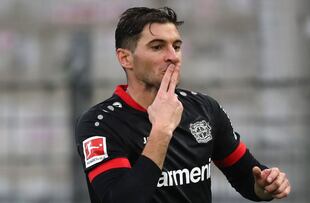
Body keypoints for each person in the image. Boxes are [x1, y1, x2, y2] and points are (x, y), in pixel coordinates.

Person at [75, 7, 291, 203]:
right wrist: (161, 130)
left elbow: (247, 178)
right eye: (158, 47)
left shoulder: (204, 109)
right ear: (125, 59)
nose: (173, 57)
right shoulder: (100, 124)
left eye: (176, 46)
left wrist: (266, 185)